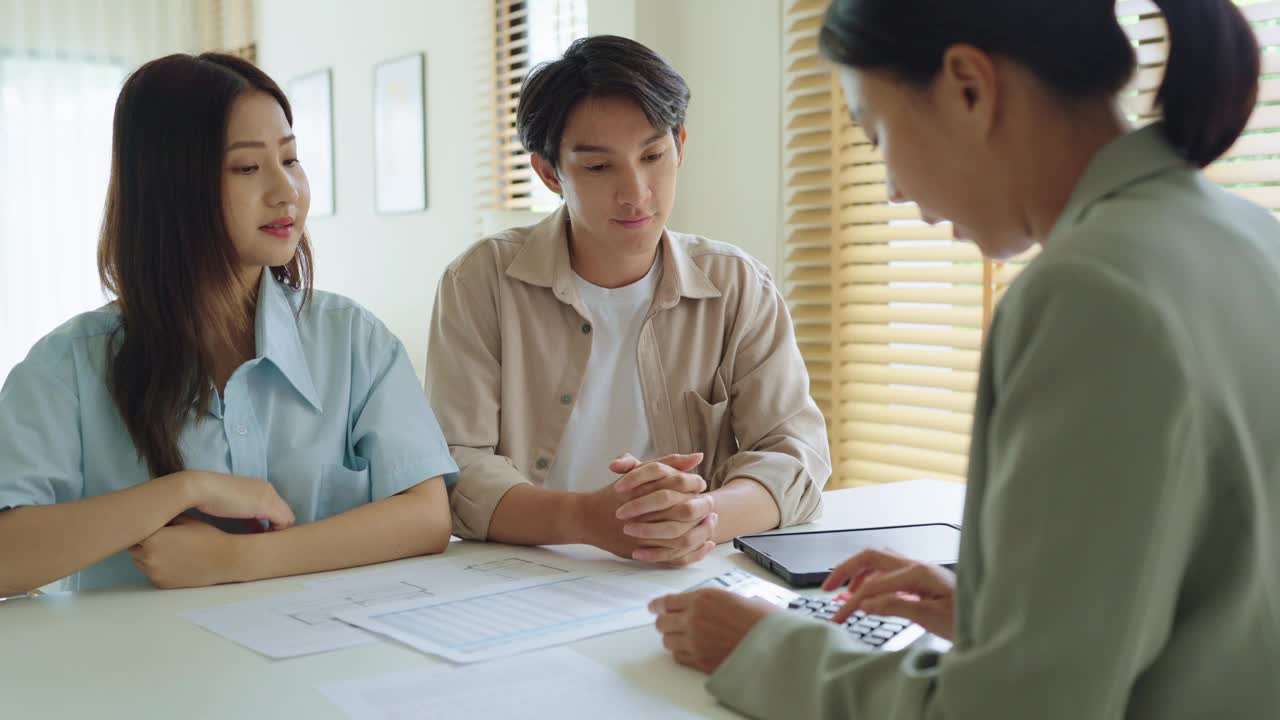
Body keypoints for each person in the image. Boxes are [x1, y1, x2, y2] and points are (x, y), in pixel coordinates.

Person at [651, 0, 1280, 716]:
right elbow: (1221, 591)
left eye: (879, 135)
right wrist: (1007, 617)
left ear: (968, 87)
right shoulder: (1249, 234)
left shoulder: (1090, 291)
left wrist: (764, 651)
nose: (893, 188)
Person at [0, 53, 456, 594]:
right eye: (247, 167)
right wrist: (183, 490)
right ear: (170, 187)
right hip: (142, 676)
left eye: (290, 159)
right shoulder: (68, 366)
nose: (286, 190)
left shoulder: (353, 340)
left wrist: (239, 559)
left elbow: (428, 517)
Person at [428, 35, 830, 567]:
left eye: (653, 156)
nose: (636, 191)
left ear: (680, 146)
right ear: (550, 173)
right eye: (599, 168)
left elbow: (794, 455)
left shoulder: (737, 285)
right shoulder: (480, 281)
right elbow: (457, 466)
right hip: (523, 577)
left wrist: (701, 517)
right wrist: (585, 520)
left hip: (689, 577)